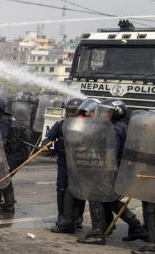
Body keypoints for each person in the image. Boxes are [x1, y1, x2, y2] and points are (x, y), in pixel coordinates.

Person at [77, 98, 146, 245]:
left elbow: (109, 151)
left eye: (106, 113)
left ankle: (97, 232)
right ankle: (136, 227)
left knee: (95, 196)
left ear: (116, 113)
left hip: (108, 170)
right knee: (111, 201)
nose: (102, 115)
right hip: (120, 169)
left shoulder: (114, 129)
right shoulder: (125, 125)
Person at [45, 96, 84, 233]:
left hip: (80, 163)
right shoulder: (60, 124)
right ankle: (62, 218)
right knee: (61, 189)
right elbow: (49, 138)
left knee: (78, 191)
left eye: (73, 112)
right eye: (68, 111)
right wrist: (45, 145)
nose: (69, 114)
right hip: (63, 161)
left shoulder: (86, 126)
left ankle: (77, 218)